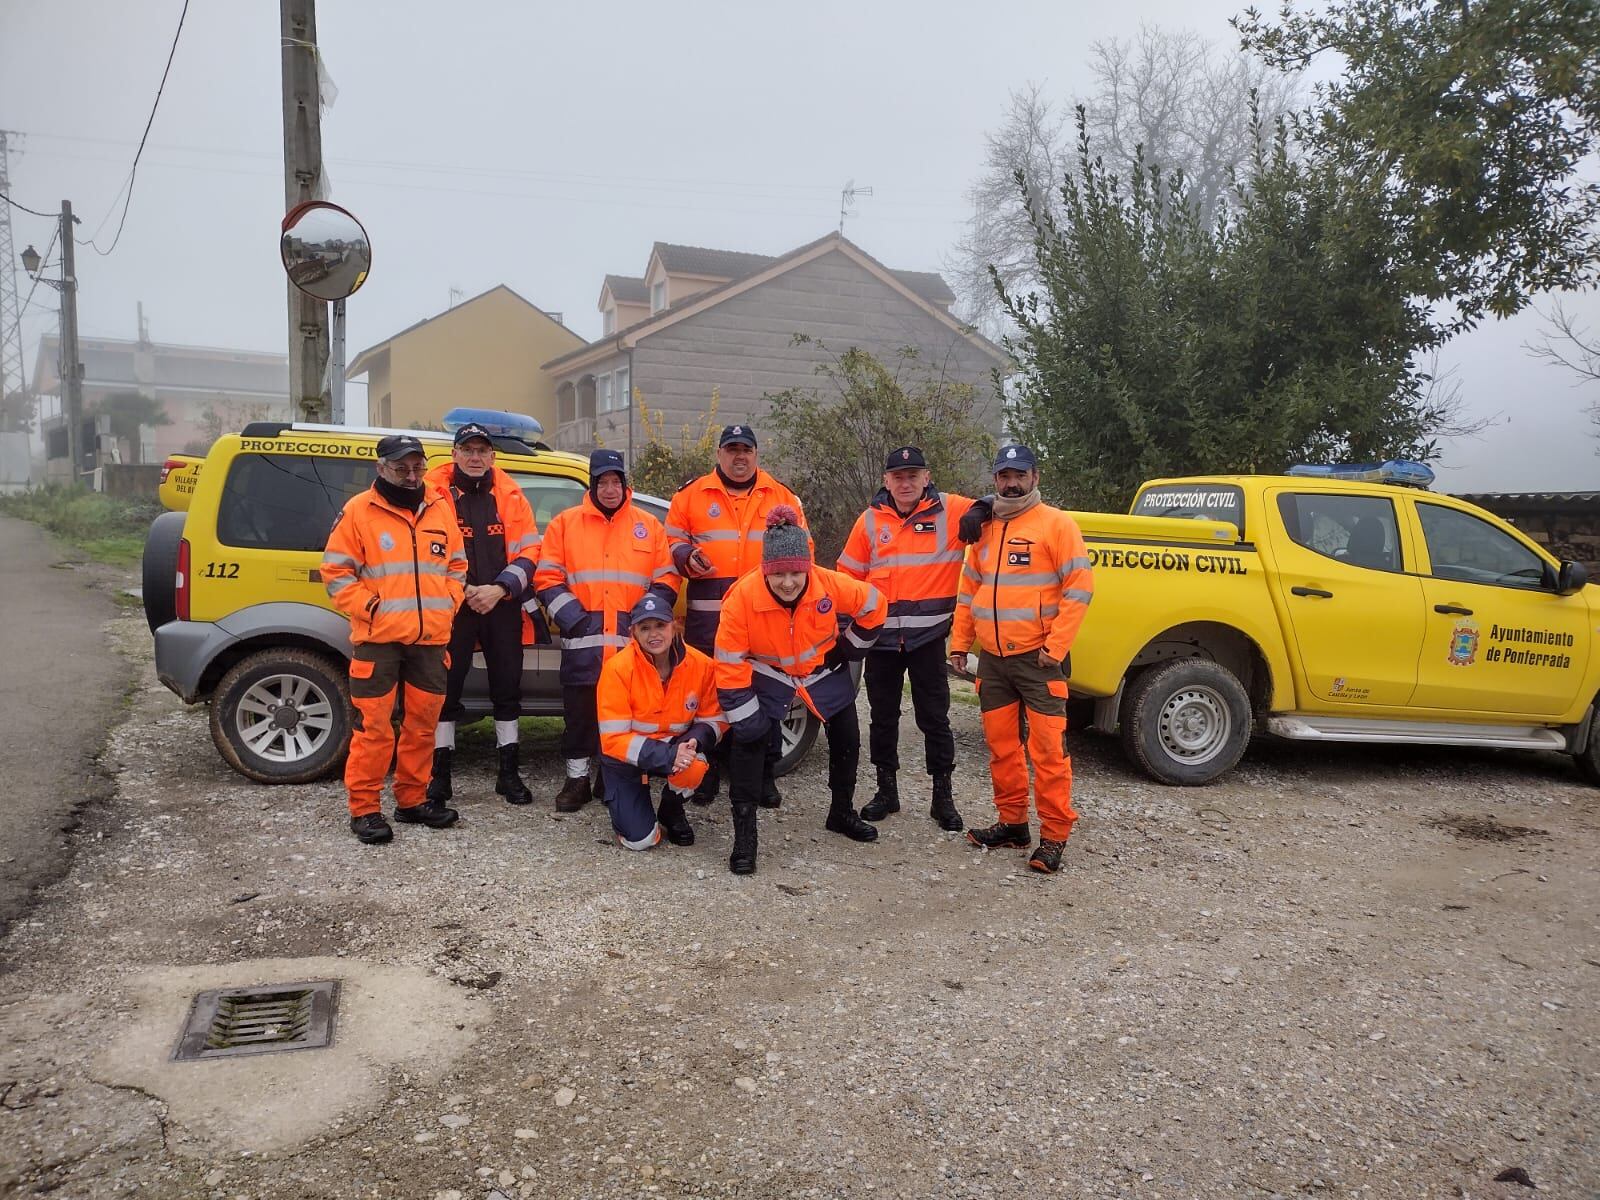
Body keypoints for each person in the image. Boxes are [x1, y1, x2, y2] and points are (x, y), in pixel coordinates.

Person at [949, 445, 1094, 874]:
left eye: (1020, 475)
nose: (1011, 483)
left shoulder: (1057, 525)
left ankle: (1055, 835)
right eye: (1003, 476)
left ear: (1035, 477)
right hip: (993, 660)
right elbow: (969, 589)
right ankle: (1013, 823)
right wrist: (960, 643)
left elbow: (1080, 588)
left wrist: (1056, 647)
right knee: (1001, 748)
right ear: (995, 479)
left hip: (1038, 660)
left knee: (1048, 751)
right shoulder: (987, 526)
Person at [715, 507, 884, 875]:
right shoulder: (740, 598)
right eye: (779, 574)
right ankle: (745, 838)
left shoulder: (829, 583)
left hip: (822, 670)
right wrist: (747, 720)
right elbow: (728, 665)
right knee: (748, 745)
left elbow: (875, 605)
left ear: (807, 567)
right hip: (768, 673)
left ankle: (841, 813)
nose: (788, 583)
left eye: (795, 572)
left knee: (848, 739)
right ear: (765, 570)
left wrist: (851, 647)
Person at [321, 435, 468, 845]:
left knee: (422, 726)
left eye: (417, 467)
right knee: (375, 729)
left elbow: (457, 565)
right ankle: (365, 809)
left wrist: (448, 603)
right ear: (381, 467)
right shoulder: (358, 512)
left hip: (429, 640)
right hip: (378, 640)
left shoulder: (440, 507)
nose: (411, 475)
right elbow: (335, 574)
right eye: (401, 467)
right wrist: (372, 609)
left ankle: (412, 801)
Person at [837, 445, 979, 833]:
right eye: (898, 477)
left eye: (913, 476)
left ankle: (942, 797)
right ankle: (887, 792)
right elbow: (846, 579)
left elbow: (992, 505)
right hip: (880, 640)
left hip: (928, 640)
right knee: (882, 717)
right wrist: (843, 632)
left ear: (926, 477)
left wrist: (980, 513)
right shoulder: (868, 522)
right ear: (886, 481)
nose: (905, 483)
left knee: (934, 718)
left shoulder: (949, 510)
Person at [664, 424, 806, 808]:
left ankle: (764, 775)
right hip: (708, 620)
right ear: (719, 455)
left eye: (746, 450)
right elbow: (670, 542)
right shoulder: (691, 495)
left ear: (756, 454)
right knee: (708, 697)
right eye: (731, 450)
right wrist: (684, 556)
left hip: (765, 618)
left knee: (767, 695)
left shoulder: (782, 498)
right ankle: (705, 772)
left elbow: (801, 553)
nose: (739, 457)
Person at [534, 449, 679, 812]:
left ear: (625, 484)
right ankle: (577, 779)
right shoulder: (565, 524)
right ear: (593, 484)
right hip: (585, 641)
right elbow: (547, 578)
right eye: (603, 482)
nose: (610, 488)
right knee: (580, 714)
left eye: (616, 481)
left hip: (633, 647)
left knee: (626, 716)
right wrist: (576, 619)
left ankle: (609, 777)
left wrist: (644, 621)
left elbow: (666, 578)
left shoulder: (648, 524)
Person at [422, 423, 542, 808]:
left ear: (492, 456)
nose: (475, 458)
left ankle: (508, 774)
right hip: (451, 605)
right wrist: (465, 591)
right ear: (454, 454)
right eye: (468, 450)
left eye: (482, 451)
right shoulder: (432, 491)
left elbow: (529, 551)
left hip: (501, 603)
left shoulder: (510, 494)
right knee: (446, 689)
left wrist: (500, 588)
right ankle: (439, 776)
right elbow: (423, 550)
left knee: (507, 688)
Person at [595, 592, 726, 849]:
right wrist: (669, 756)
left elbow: (716, 719)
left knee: (695, 766)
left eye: (660, 626)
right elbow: (613, 740)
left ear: (675, 625)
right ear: (633, 632)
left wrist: (693, 743)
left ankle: (671, 809)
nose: (653, 634)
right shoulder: (617, 669)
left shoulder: (703, 666)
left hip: (675, 746)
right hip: (626, 758)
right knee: (641, 841)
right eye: (645, 628)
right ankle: (631, 801)